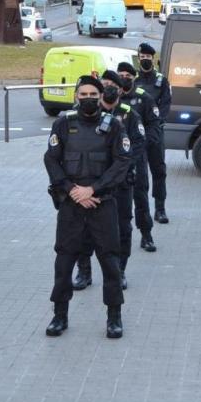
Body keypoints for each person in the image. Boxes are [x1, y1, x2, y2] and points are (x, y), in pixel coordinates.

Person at [44, 76, 130, 339]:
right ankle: (60, 316)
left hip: (102, 205)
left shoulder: (113, 126)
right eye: (83, 94)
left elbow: (122, 162)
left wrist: (92, 190)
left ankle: (114, 318)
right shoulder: (63, 123)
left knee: (110, 263)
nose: (88, 98)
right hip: (71, 205)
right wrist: (72, 190)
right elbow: (51, 160)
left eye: (93, 94)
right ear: (76, 97)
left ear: (100, 96)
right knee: (64, 262)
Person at [73, 70, 145, 291]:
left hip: (119, 185)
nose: (108, 87)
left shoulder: (128, 114)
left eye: (111, 83)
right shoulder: (81, 116)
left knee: (122, 228)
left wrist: (119, 171)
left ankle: (119, 271)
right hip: (90, 186)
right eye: (104, 84)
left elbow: (137, 146)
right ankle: (84, 271)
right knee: (83, 229)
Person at [118, 61, 159, 252]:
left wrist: (144, 146)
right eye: (121, 75)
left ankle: (146, 235)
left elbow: (153, 126)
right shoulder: (109, 101)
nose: (124, 78)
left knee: (140, 198)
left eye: (128, 75)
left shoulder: (144, 99)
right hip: (115, 163)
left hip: (137, 159)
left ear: (134, 78)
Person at [134, 43, 172, 224]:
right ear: (138, 58)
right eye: (142, 57)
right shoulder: (133, 80)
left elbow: (165, 105)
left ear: (153, 58)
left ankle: (160, 209)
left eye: (148, 57)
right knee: (139, 175)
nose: (145, 60)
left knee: (159, 171)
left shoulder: (161, 80)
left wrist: (156, 124)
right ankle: (142, 210)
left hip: (155, 133)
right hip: (136, 135)